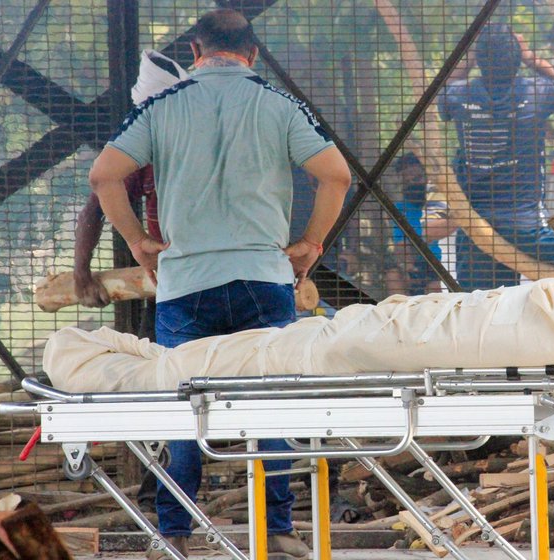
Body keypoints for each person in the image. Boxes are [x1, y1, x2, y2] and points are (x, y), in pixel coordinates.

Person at [88, 9, 351, 559]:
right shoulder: (279, 105)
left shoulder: (162, 106)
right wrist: (311, 242)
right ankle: (276, 530)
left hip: (185, 284)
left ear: (195, 53)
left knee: (185, 404)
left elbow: (104, 175)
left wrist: (138, 241)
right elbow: (336, 174)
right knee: (271, 403)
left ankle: (174, 534)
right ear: (253, 54)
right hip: (264, 279)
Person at [73, 49, 189, 513]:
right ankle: (163, 499)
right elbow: (97, 202)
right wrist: (83, 272)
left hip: (196, 275)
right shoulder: (141, 141)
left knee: (192, 384)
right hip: (175, 279)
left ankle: (171, 509)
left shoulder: (179, 134)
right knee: (178, 383)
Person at [438, 24, 554, 291]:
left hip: (475, 223)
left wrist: (467, 60)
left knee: (479, 302)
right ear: (516, 58)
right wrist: (529, 56)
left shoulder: (458, 95)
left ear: (479, 60)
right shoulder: (535, 91)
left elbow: (438, 92)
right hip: (524, 226)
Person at [385, 153, 452, 295]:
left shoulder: (444, 201)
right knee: (393, 277)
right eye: (406, 181)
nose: (413, 184)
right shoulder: (400, 208)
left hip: (443, 263)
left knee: (434, 286)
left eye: (417, 178)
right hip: (419, 264)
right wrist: (408, 267)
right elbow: (401, 244)